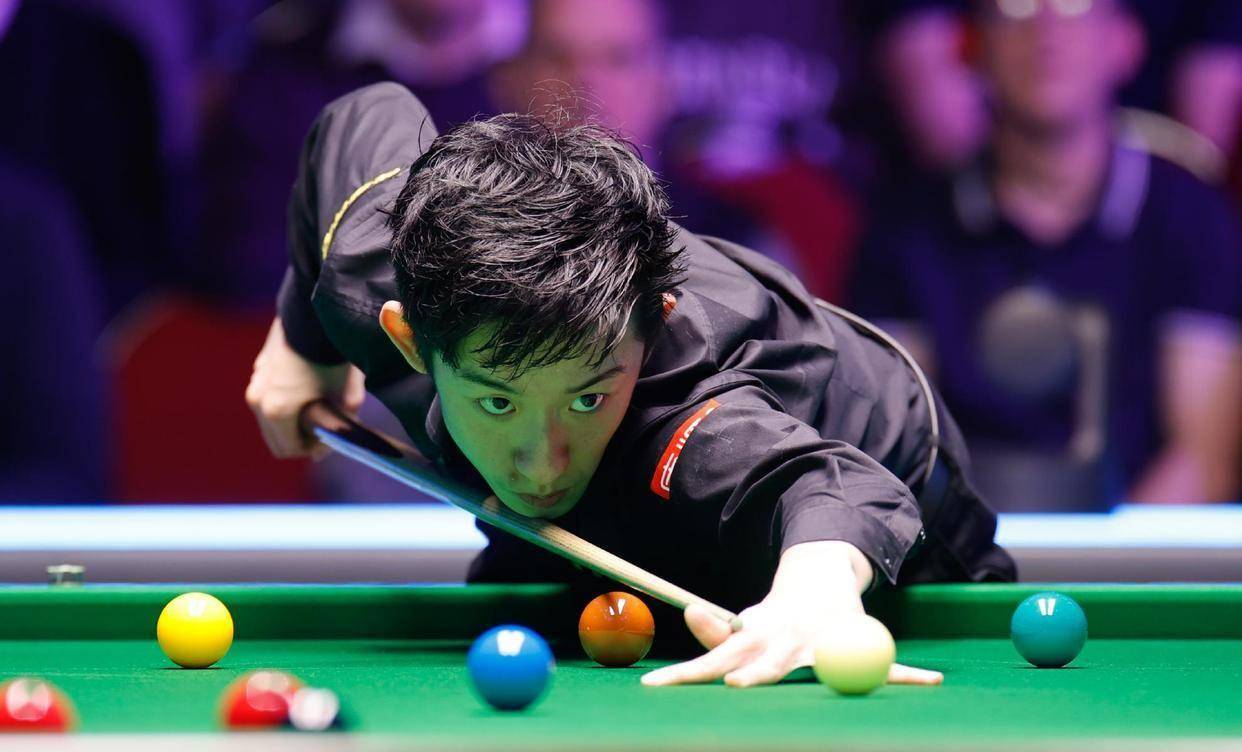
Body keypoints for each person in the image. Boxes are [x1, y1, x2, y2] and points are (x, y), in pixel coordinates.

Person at [246, 82, 1014, 687]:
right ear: (408, 338)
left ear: (651, 331)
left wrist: (816, 591)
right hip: (609, 505)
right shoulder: (368, 268)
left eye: (586, 397)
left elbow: (837, 483)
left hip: (880, 511)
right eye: (497, 401)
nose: (542, 462)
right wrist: (305, 343)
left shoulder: (696, 417)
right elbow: (360, 116)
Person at [852, 0, 1242, 509]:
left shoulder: (1191, 216)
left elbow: (1203, 461)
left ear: (1125, 43)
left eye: (1075, 6)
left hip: (1141, 548)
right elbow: (892, 452)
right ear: (973, 46)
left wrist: (1099, 561)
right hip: (962, 543)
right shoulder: (906, 227)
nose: (1046, 31)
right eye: (1014, 8)